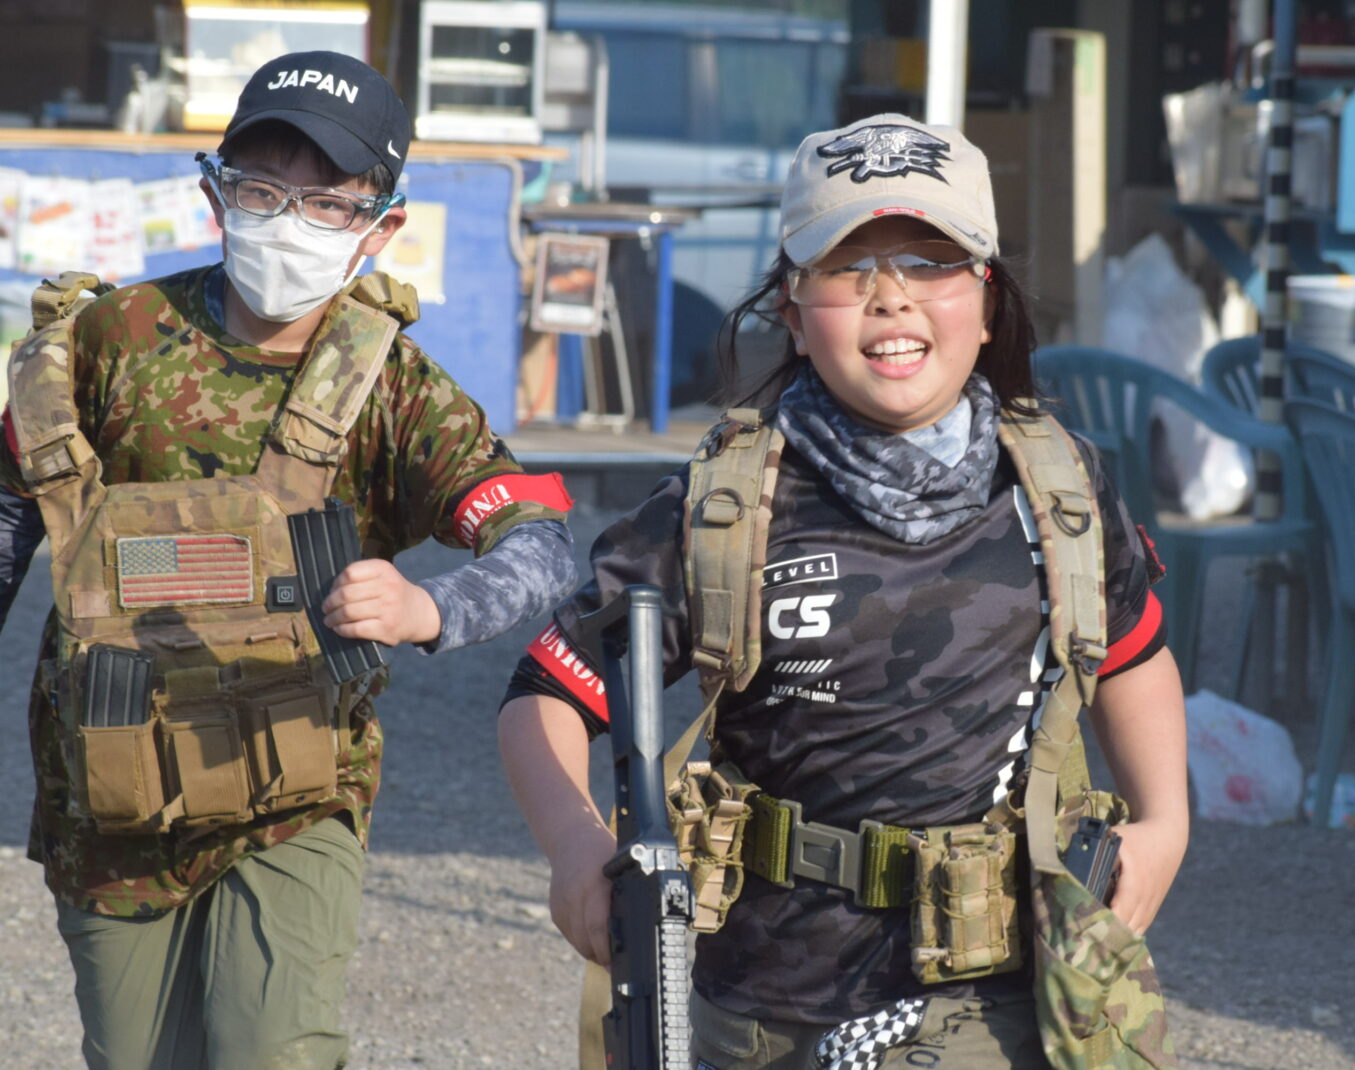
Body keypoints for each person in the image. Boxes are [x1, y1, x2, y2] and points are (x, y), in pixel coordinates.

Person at [498, 113, 1187, 1068]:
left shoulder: (1058, 489)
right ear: (791, 309)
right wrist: (578, 849)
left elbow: (1132, 652)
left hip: (998, 998)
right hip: (764, 1004)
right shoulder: (720, 509)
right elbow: (547, 691)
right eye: (846, 267)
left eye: (931, 264)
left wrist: (1165, 821)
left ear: (988, 300)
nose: (891, 297)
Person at [0, 51, 578, 1069]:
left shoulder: (392, 386)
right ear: (215, 193)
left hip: (297, 793)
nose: (289, 221)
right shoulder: (106, 342)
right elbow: (11, 509)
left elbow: (540, 538)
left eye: (328, 201)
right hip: (110, 794)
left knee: (274, 1048)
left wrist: (431, 608)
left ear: (380, 225)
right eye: (263, 190)